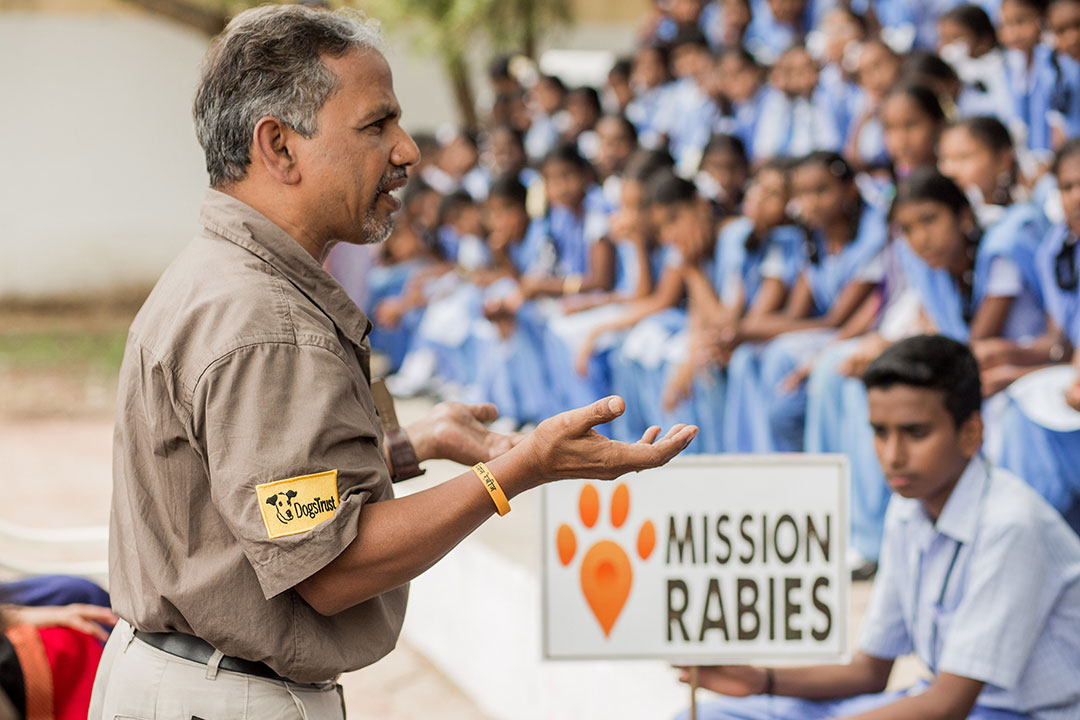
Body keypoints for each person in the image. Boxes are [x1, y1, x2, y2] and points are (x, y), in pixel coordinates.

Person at [87, 6, 698, 717]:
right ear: (279, 146)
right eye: (376, 126)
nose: (407, 151)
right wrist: (519, 470)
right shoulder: (265, 320)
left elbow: (271, 498)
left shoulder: (229, 279)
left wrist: (416, 446)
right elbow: (331, 565)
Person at [676, 334, 1080, 720]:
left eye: (915, 433)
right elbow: (870, 670)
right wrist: (761, 680)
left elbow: (947, 706)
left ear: (971, 433)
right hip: (934, 701)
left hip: (1015, 713)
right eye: (879, 432)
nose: (892, 456)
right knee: (711, 715)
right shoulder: (909, 508)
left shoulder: (1011, 525)